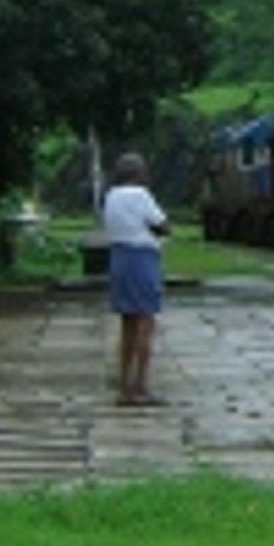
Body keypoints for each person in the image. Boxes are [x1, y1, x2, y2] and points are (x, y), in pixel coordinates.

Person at [102, 152, 169, 406]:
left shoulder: (109, 197)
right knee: (145, 321)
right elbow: (163, 225)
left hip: (118, 258)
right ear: (138, 174)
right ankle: (141, 385)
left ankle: (123, 385)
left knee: (127, 324)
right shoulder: (140, 195)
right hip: (142, 257)